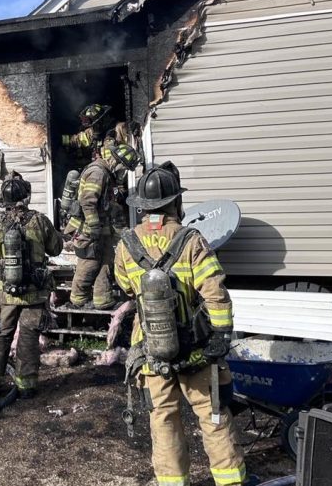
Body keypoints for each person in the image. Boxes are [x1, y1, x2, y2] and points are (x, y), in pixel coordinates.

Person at [113, 162, 249, 486]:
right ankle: (231, 481)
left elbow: (127, 287)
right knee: (213, 416)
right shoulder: (191, 241)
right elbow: (215, 293)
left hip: (150, 350)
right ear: (176, 202)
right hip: (195, 351)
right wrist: (220, 337)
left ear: (143, 207)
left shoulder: (126, 245)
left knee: (163, 419)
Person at [0, 171, 62, 398]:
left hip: (5, 294)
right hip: (34, 293)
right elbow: (56, 248)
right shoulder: (39, 220)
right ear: (26, 196)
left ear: (3, 200)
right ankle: (26, 387)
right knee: (28, 338)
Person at [66, 143, 140, 310]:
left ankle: (102, 300)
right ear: (116, 161)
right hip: (89, 229)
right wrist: (93, 226)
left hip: (103, 228)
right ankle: (77, 300)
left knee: (106, 262)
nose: (124, 172)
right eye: (124, 167)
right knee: (89, 263)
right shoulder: (98, 173)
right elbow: (87, 201)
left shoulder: (107, 173)